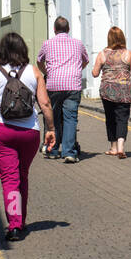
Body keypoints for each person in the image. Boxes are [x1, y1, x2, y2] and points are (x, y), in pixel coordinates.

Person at [0, 31, 54, 241]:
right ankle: (20, 220)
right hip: (29, 132)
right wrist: (50, 129)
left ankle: (14, 224)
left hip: (2, 131)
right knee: (22, 175)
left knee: (9, 178)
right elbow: (45, 104)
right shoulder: (34, 72)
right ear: (23, 50)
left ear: (1, 51)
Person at [37, 16, 88, 164]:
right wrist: (76, 69)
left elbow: (39, 60)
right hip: (73, 84)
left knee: (52, 117)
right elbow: (85, 60)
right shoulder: (78, 44)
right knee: (70, 119)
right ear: (69, 29)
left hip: (54, 84)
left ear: (54, 29)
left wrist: (47, 72)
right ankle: (69, 152)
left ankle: (52, 150)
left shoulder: (47, 44)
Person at [92, 26, 131, 159]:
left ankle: (113, 148)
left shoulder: (102, 54)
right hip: (124, 90)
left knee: (110, 118)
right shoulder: (128, 54)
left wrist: (101, 68)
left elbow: (95, 73)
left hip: (107, 90)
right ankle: (121, 147)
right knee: (122, 118)